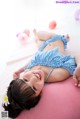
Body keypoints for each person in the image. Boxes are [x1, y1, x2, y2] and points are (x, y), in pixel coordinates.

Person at [3, 29, 80, 118]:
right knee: (45, 38)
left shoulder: (29, 70)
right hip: (55, 38)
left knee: (39, 37)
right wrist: (78, 66)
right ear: (40, 93)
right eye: (34, 88)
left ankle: (36, 37)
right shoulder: (56, 75)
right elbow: (75, 57)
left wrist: (20, 70)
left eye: (25, 79)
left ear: (20, 77)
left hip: (42, 48)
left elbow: (32, 61)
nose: (34, 78)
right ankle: (64, 39)